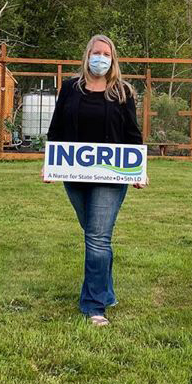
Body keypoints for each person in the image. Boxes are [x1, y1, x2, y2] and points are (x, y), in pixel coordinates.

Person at [45, 34, 145, 326]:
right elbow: (57, 129)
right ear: (86, 55)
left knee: (98, 238)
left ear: (113, 59)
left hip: (111, 176)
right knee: (93, 233)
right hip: (73, 173)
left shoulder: (123, 92)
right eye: (96, 52)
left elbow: (132, 135)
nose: (100, 58)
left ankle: (94, 306)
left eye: (106, 54)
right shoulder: (69, 89)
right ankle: (106, 291)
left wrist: (139, 170)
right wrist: (49, 165)